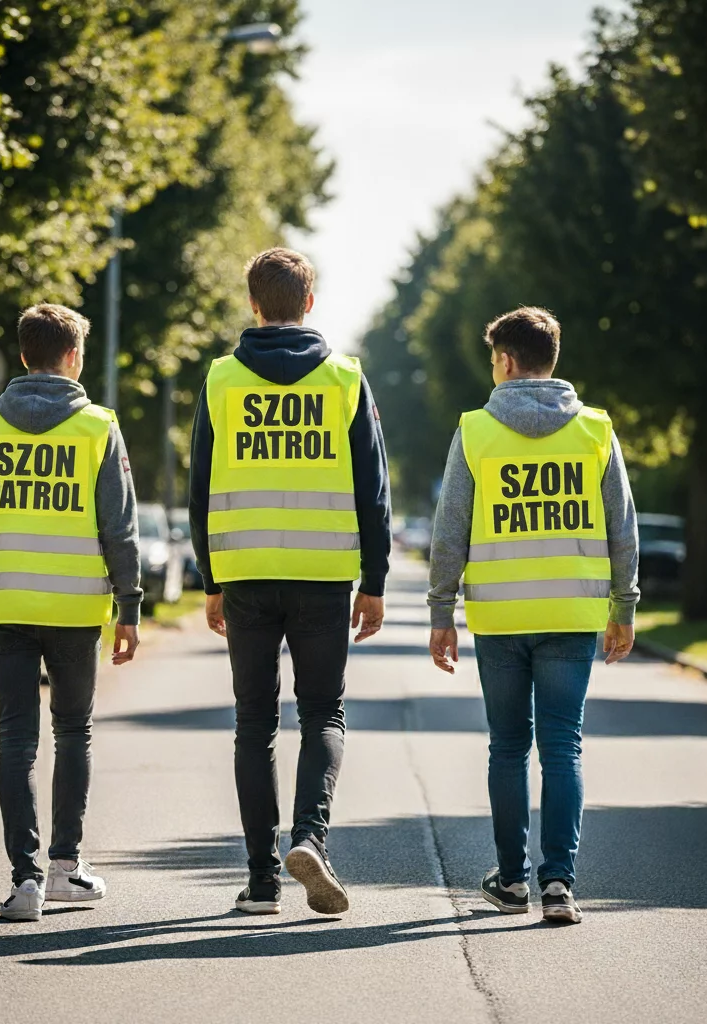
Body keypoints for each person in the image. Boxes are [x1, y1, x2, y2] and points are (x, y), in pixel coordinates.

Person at [189, 248, 391, 916]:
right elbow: (373, 491)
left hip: (245, 571)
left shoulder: (221, 379)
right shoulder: (343, 379)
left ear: (253, 304)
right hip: (324, 573)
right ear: (310, 303)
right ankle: (309, 836)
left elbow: (201, 487)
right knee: (323, 713)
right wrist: (376, 581)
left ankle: (262, 881)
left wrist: (209, 579)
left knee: (254, 723)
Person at [427, 307, 639, 925]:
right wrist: (623, 606)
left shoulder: (475, 430)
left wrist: (442, 610)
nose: (493, 369)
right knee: (563, 747)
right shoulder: (595, 430)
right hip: (572, 613)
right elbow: (622, 529)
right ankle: (559, 887)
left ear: (510, 362)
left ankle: (512, 881)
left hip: (500, 616)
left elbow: (450, 530)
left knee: (509, 747)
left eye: (495, 359)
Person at [0, 303, 142, 922]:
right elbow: (119, 528)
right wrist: (130, 607)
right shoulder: (96, 427)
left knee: (14, 738)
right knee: (72, 731)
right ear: (72, 356)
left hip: (3, 600)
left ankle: (24, 880)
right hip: (73, 605)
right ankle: (65, 867)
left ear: (23, 353)